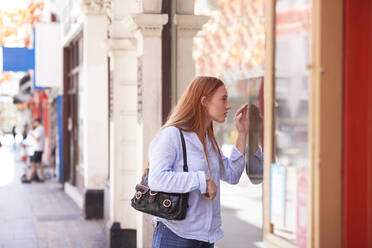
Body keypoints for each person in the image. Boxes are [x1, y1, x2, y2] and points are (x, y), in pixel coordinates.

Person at [148, 76, 263, 248]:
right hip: (175, 236)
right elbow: (156, 179)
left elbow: (232, 175)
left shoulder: (208, 139)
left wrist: (242, 134)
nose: (228, 106)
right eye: (223, 99)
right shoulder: (172, 135)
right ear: (204, 101)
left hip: (205, 238)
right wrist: (202, 180)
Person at [21, 118, 45, 183]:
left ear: (37, 122)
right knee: (39, 163)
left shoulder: (40, 128)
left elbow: (37, 139)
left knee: (34, 164)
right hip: (36, 149)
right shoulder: (39, 129)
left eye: (34, 123)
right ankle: (40, 177)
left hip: (37, 149)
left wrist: (32, 134)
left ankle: (29, 178)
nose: (34, 124)